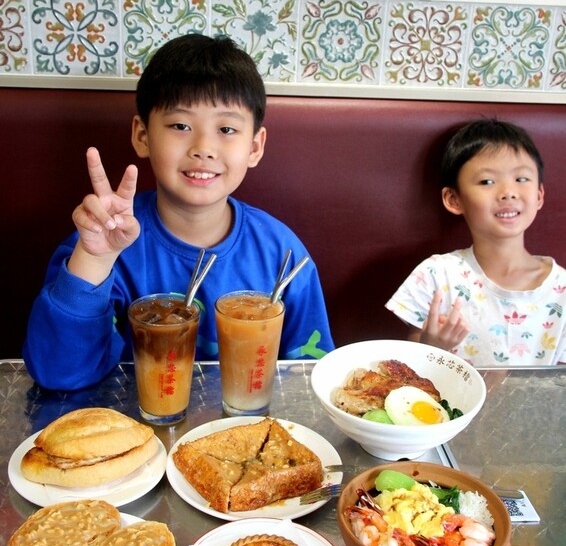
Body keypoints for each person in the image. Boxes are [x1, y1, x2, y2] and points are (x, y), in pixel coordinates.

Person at [23, 34, 334, 390]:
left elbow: (311, 382)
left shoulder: (283, 254)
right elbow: (59, 375)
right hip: (133, 434)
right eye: (180, 126)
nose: (204, 148)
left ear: (255, 146)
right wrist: (95, 259)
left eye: (227, 129)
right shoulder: (100, 241)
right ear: (142, 135)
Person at [386, 118, 566, 366]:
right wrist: (434, 349)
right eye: (487, 181)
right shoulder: (436, 275)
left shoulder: (562, 291)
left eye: (521, 179)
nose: (508, 192)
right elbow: (413, 376)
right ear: (453, 199)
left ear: (539, 195)